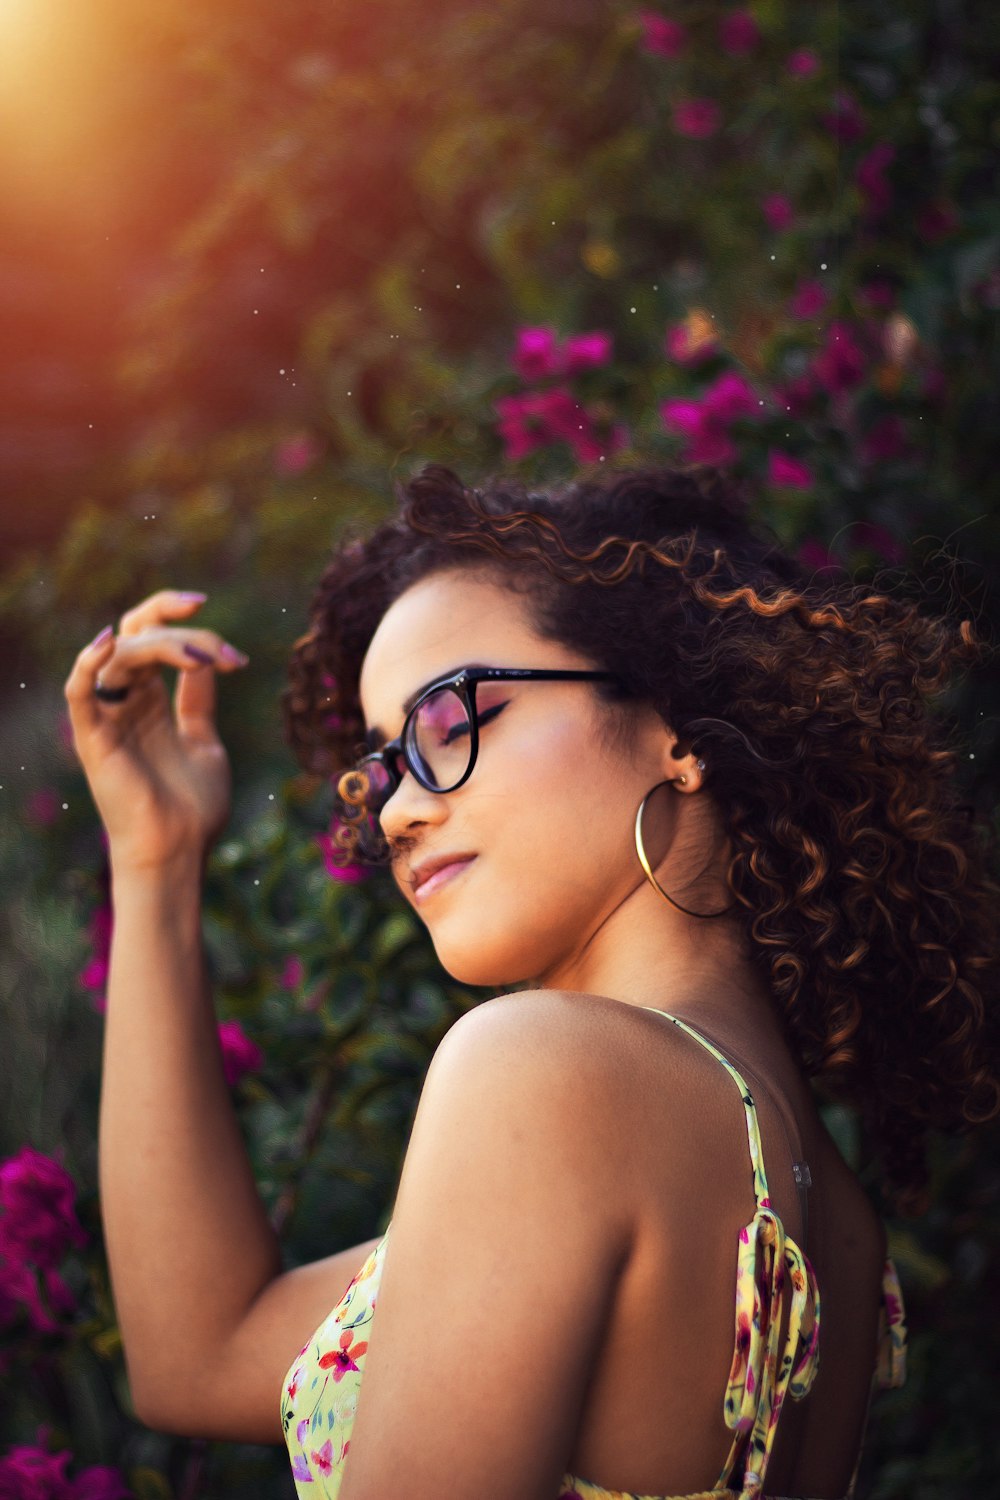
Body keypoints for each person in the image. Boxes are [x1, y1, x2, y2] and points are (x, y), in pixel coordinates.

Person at [64, 462, 999, 1500]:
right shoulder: (838, 1224)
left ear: (676, 727)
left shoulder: (545, 1072)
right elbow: (201, 1355)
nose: (394, 813)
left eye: (452, 722)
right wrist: (155, 857)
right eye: (380, 768)